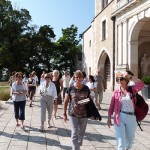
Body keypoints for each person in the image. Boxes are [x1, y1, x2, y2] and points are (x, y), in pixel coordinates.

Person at [107, 71, 144, 150]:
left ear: (126, 81)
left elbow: (141, 85)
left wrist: (131, 77)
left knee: (130, 140)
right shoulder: (116, 92)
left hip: (131, 117)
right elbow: (111, 105)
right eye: (119, 79)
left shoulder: (132, 90)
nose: (120, 81)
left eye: (122, 79)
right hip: (120, 117)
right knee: (120, 142)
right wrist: (109, 117)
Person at [63, 70, 90, 150]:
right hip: (73, 113)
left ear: (82, 78)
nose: (78, 79)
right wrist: (64, 113)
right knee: (75, 132)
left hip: (84, 114)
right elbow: (66, 101)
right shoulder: (70, 88)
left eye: (80, 77)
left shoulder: (86, 88)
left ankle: (77, 145)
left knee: (81, 132)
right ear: (74, 78)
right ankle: (75, 148)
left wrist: (80, 102)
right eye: (77, 77)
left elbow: (89, 100)